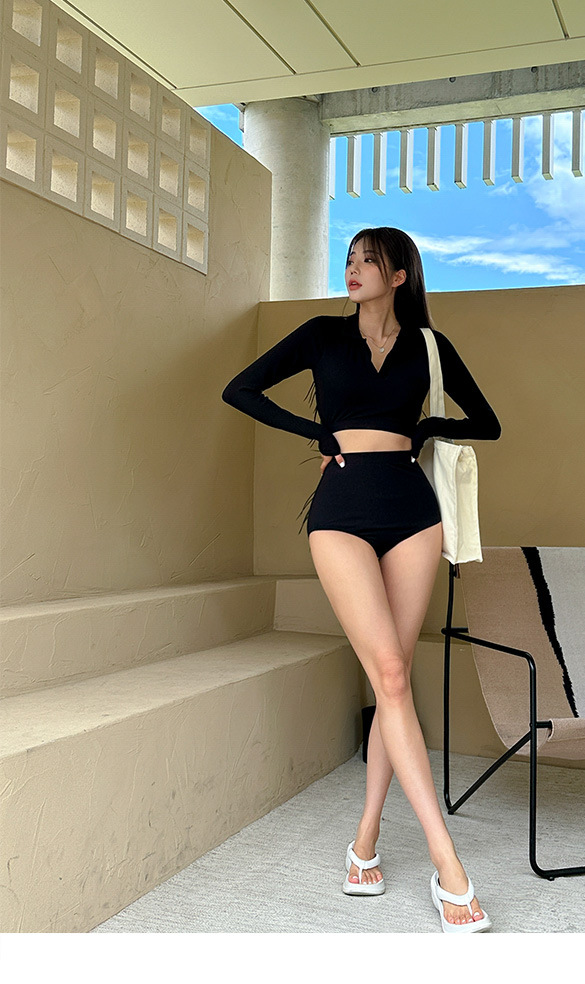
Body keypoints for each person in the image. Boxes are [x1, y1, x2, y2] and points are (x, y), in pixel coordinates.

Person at [221, 227, 501, 933]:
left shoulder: (430, 346)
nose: (353, 269)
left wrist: (427, 427)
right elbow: (239, 389)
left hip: (413, 513)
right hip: (341, 511)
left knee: (391, 680)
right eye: (349, 258)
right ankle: (448, 864)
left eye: (368, 260)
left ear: (399, 274)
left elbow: (488, 422)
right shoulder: (322, 334)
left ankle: (366, 840)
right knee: (392, 674)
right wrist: (315, 435)